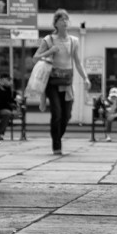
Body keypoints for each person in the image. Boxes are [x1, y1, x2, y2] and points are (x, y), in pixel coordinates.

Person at [33, 9, 91, 155]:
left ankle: (57, 136)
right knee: (57, 113)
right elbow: (36, 57)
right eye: (61, 20)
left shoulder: (73, 41)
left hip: (67, 83)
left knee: (67, 116)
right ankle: (57, 146)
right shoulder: (49, 40)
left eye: (66, 19)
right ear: (56, 23)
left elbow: (77, 62)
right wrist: (50, 51)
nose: (65, 22)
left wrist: (86, 78)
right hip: (52, 82)